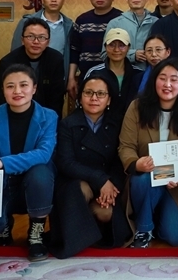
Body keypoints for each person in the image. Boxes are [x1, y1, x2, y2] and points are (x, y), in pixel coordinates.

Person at [0, 64, 57, 262]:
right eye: (10, 86)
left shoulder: (49, 117)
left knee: (41, 171)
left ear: (34, 88)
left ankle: (36, 233)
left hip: (34, 186)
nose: (17, 91)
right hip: (0, 186)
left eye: (23, 85)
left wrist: (2, 162)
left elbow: (43, 154)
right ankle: (4, 224)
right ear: (3, 90)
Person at [118, 57, 178, 248]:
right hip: (145, 177)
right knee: (142, 179)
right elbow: (125, 146)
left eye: (174, 79)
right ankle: (144, 229)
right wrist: (136, 163)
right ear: (154, 80)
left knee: (176, 238)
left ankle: (154, 216)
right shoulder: (136, 107)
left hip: (176, 183)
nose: (167, 84)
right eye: (162, 78)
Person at [50, 73, 131, 258]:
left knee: (106, 213)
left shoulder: (117, 123)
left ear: (109, 99)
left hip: (108, 183)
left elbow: (119, 161)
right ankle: (73, 239)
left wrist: (111, 187)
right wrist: (100, 179)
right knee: (81, 188)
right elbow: (66, 162)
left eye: (101, 94)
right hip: (75, 181)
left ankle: (91, 234)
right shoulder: (67, 124)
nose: (94, 98)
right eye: (88, 93)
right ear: (80, 97)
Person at [0, 17, 65, 119]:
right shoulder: (8, 62)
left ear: (48, 42)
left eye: (41, 37)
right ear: (22, 40)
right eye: (30, 36)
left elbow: (57, 97)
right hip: (14, 114)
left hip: (45, 115)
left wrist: (52, 122)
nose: (36, 41)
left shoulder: (56, 59)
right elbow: (0, 98)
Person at [67, 0, 123, 101]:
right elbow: (75, 50)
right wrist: (71, 78)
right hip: (86, 77)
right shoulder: (82, 20)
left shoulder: (121, 19)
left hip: (114, 78)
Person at [10, 0, 73, 80]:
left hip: (58, 78)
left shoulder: (69, 25)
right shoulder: (26, 22)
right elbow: (15, 52)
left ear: (63, 0)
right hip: (29, 77)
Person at [84, 28, 143, 122]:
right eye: (111, 45)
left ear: (128, 48)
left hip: (131, 124)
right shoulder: (94, 73)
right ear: (105, 47)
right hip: (100, 124)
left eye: (121, 45)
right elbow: (83, 102)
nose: (116, 49)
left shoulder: (139, 74)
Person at [104, 0, 158, 70]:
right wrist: (132, 55)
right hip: (124, 73)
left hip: (151, 72)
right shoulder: (115, 23)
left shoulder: (156, 22)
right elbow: (105, 54)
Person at [130, 34, 171, 99]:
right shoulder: (138, 79)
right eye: (149, 50)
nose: (153, 54)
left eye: (158, 49)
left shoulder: (176, 77)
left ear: (168, 52)